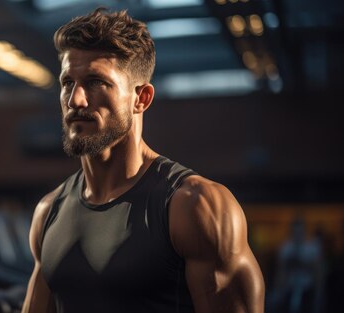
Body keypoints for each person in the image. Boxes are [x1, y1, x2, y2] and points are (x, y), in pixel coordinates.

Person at [21, 8, 265, 313]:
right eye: (68, 82)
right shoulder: (48, 212)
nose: (76, 101)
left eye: (96, 82)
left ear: (142, 98)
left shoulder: (196, 207)